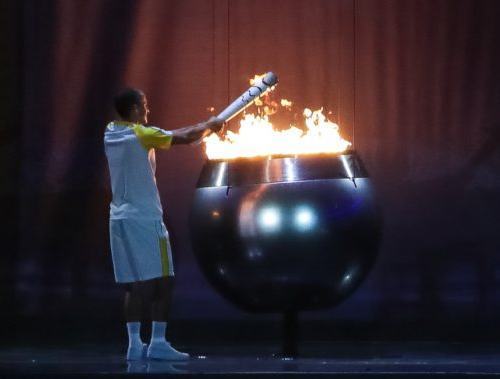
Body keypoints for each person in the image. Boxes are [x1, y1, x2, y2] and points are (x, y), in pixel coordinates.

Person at [104, 88, 223, 361]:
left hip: (119, 218)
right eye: (144, 105)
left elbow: (174, 132)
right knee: (164, 281)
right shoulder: (141, 134)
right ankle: (157, 342)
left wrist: (206, 126)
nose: (148, 110)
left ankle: (135, 345)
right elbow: (182, 137)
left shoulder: (111, 131)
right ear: (134, 109)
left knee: (134, 284)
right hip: (146, 219)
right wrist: (210, 127)